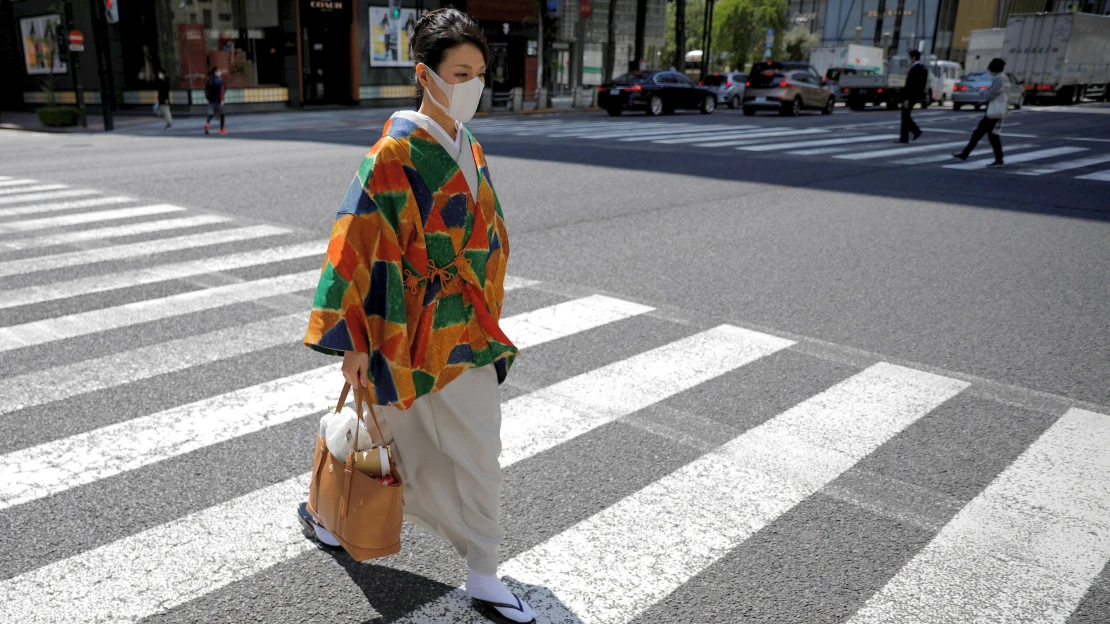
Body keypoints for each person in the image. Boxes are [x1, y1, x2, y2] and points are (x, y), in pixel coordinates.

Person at [298, 8, 536, 624]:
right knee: (393, 446)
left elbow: (491, 233)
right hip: (402, 328)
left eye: (480, 73)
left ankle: (482, 568)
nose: (474, 86)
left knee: (479, 448)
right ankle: (330, 512)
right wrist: (354, 342)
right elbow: (356, 244)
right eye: (461, 72)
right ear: (424, 75)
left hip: (464, 326)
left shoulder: (470, 146)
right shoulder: (391, 153)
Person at [952, 58, 1009, 168]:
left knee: (980, 134)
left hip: (993, 112)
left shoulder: (999, 79)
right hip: (998, 111)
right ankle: (998, 159)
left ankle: (965, 155)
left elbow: (990, 95)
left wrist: (980, 91)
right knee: (991, 136)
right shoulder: (1005, 79)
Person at [899, 50, 927, 143]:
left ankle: (914, 132)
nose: (909, 59)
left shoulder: (915, 69)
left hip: (910, 95)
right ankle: (907, 136)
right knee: (906, 115)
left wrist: (906, 98)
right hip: (916, 95)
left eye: (910, 57)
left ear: (913, 58)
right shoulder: (922, 68)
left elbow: (911, 85)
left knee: (905, 115)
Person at [204, 67, 227, 135]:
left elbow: (206, 91)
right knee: (222, 114)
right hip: (218, 100)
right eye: (218, 71)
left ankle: (207, 123)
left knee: (210, 114)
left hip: (211, 101)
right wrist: (222, 100)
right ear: (215, 73)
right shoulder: (220, 81)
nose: (220, 72)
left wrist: (209, 98)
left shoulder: (209, 80)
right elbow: (222, 91)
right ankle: (222, 129)